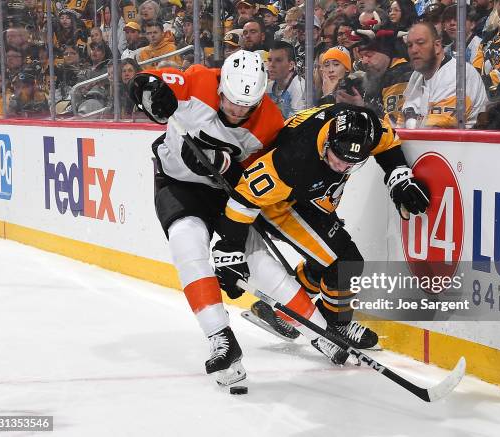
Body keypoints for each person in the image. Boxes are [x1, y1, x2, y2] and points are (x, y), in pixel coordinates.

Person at [128, 50, 346, 386]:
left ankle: (320, 331)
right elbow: (151, 80)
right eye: (231, 100)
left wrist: (227, 173)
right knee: (188, 246)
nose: (237, 110)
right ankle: (221, 339)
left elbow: (259, 178)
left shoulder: (270, 122)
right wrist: (149, 93)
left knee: (259, 261)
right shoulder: (200, 80)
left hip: (226, 193)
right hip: (175, 184)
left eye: (247, 105)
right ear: (221, 87)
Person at [212, 104, 430, 348]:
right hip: (280, 204)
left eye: (352, 164)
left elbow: (388, 142)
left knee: (325, 258)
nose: (342, 168)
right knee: (345, 262)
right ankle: (337, 324)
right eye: (338, 159)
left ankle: (282, 311)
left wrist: (398, 176)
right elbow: (244, 199)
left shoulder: (365, 129)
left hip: (312, 199)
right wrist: (230, 248)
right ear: (327, 141)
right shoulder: (294, 158)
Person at [402, 22, 487, 129]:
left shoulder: (458, 73)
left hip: (466, 143)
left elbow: (436, 129)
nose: (413, 50)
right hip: (432, 144)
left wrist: (410, 124)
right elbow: (407, 111)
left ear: (437, 46)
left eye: (420, 43)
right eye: (409, 45)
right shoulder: (417, 75)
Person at [267, 40, 306, 118]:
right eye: (270, 60)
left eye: (278, 60)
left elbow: (297, 124)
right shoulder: (270, 86)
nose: (271, 65)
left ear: (291, 65)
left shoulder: (300, 87)